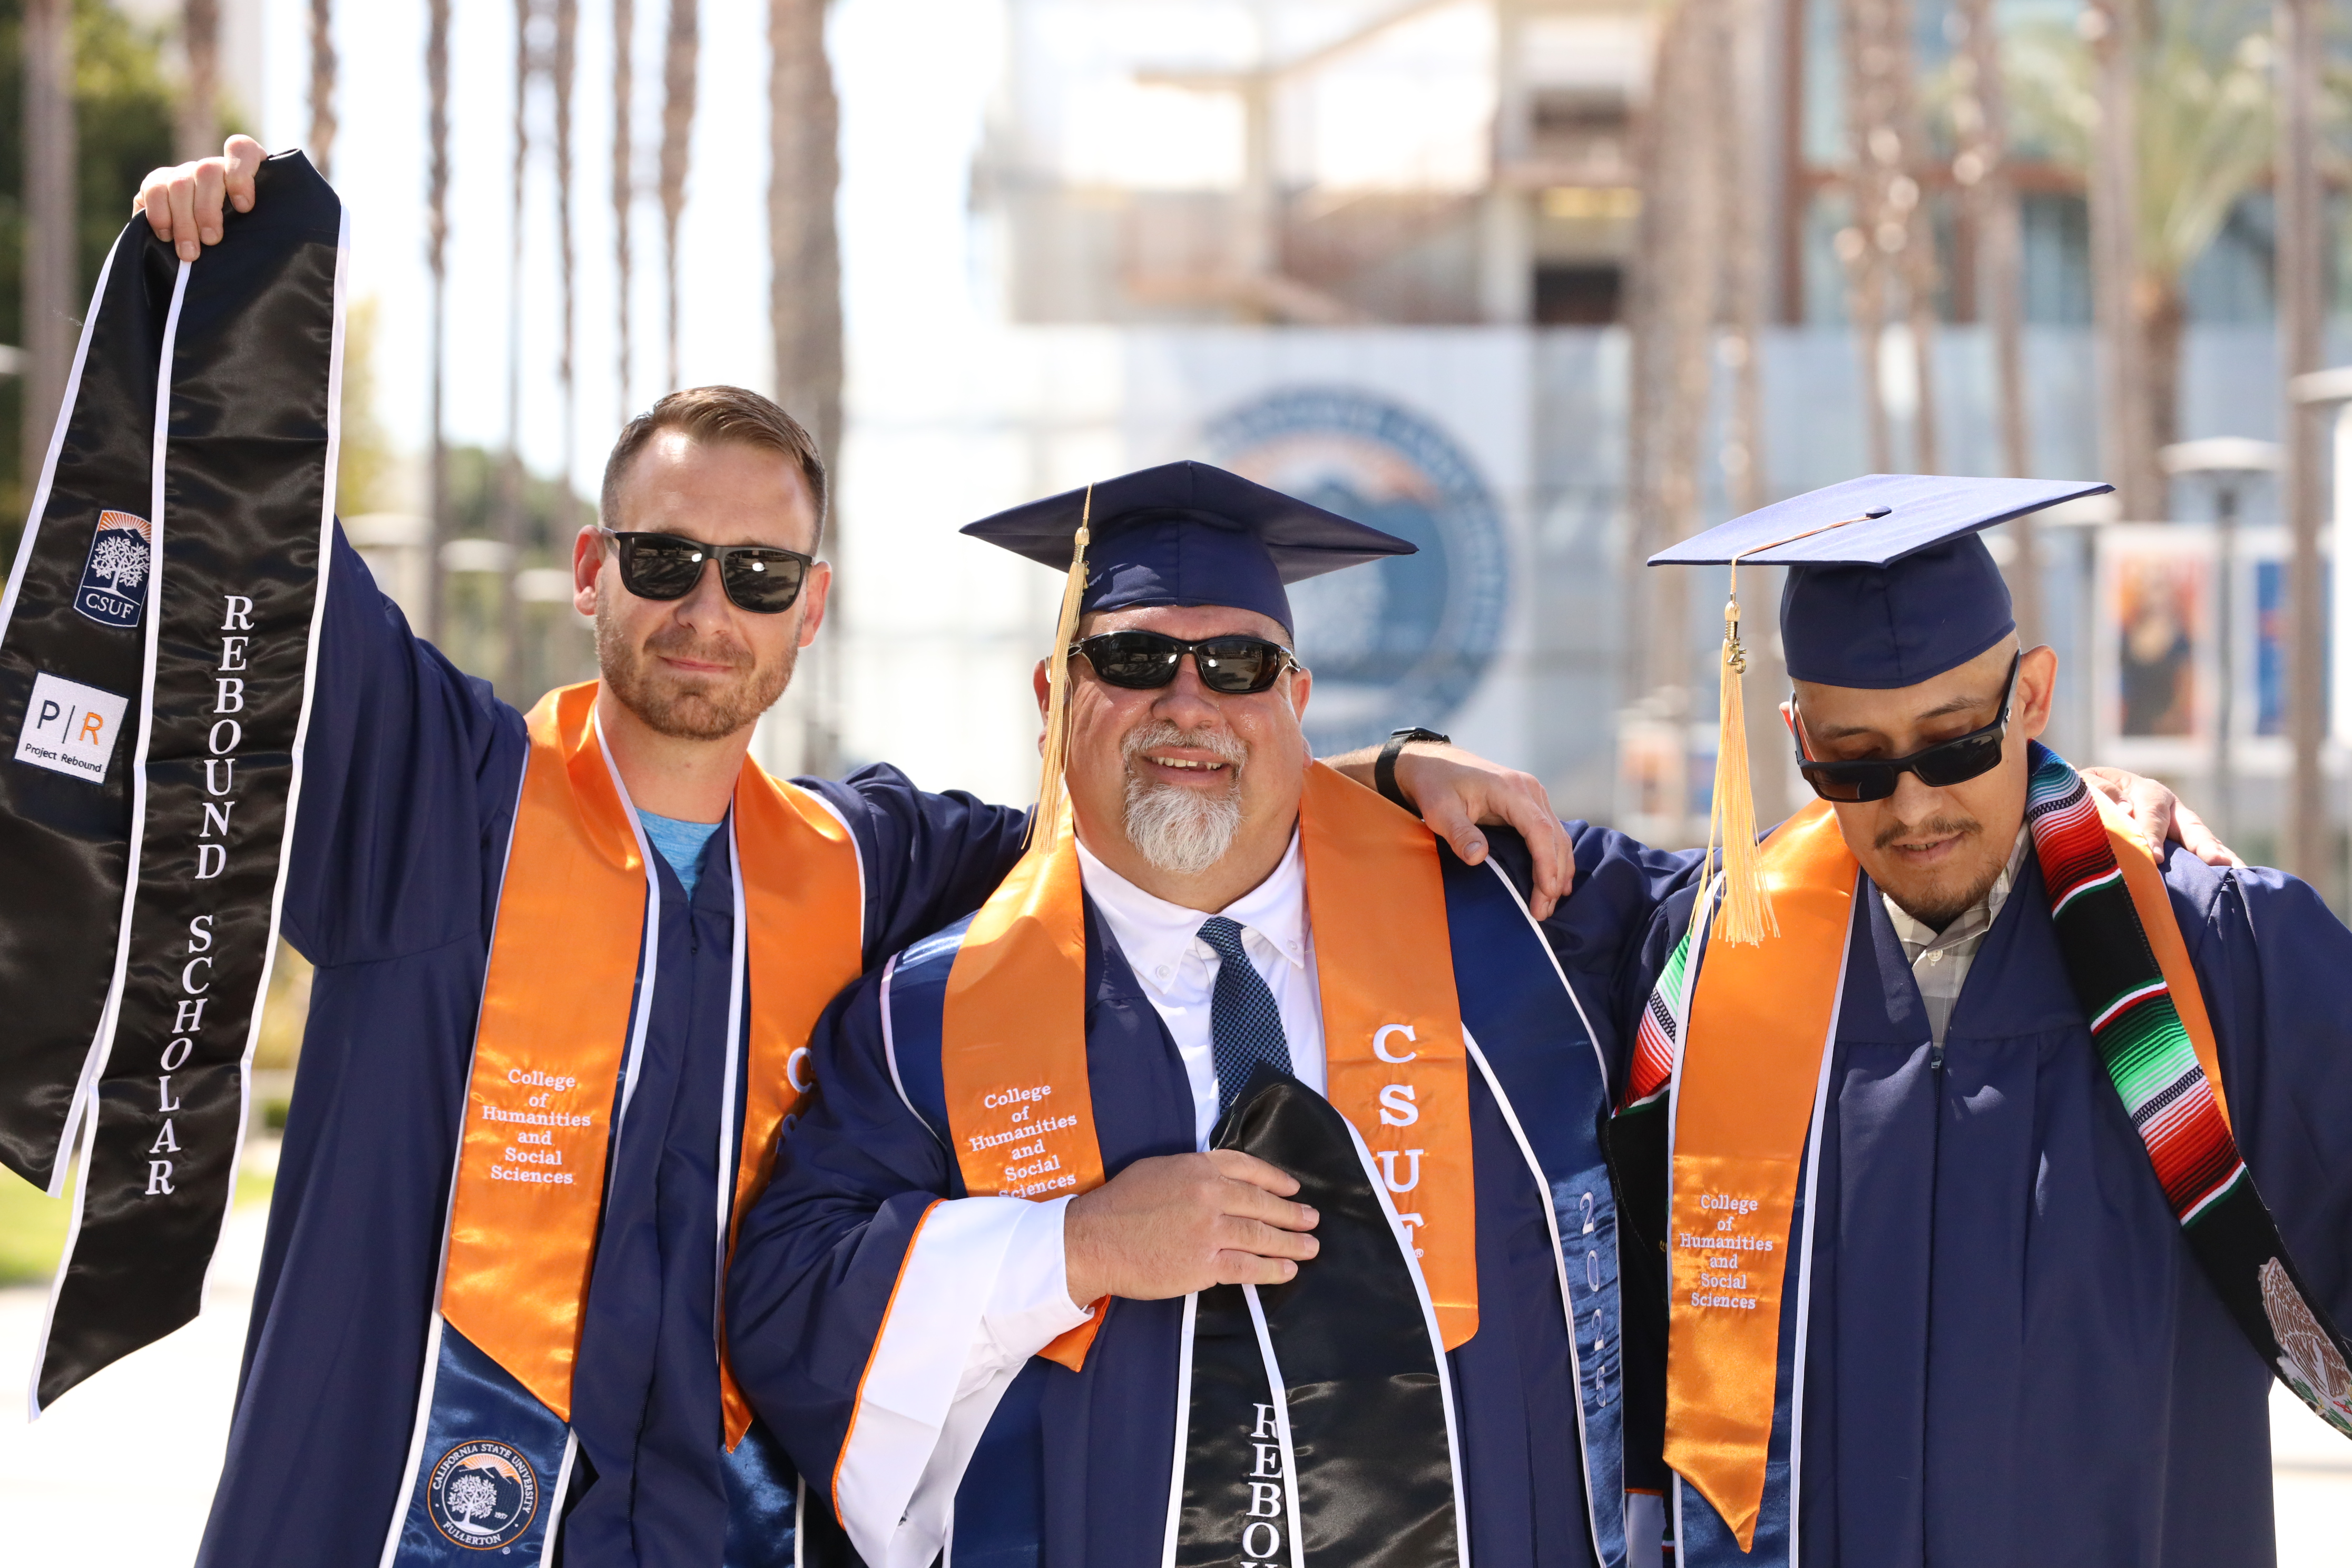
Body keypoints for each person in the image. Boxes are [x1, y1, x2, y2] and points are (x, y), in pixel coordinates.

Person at [119, 140, 1582, 1568]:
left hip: (721, 1527)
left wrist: (1378, 770)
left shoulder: (869, 862)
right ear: (588, 572)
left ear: (807, 611)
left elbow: (1155, 808)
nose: (708, 608)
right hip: (399, 1510)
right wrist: (211, 291)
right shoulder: (445, 804)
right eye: (662, 560)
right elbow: (279, 588)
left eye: (757, 577)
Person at [724, 462, 1722, 1568]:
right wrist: (1073, 1245)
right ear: (1055, 698)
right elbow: (790, 1298)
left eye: (1240, 665)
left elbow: (1765, 940)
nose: (1189, 702)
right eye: (1134, 660)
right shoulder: (931, 1020)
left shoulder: (1509, 920)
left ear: (1294, 702)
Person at [1617, 475, 2352, 1568]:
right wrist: (1403, 758)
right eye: (1855, 763)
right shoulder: (1706, 965)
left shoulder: (2216, 953)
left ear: (2033, 698)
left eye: (1957, 742)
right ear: (1797, 736)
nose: (1914, 804)